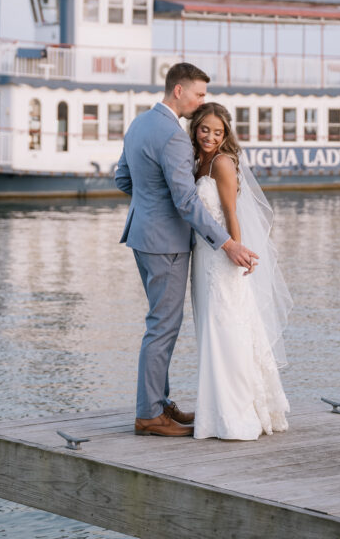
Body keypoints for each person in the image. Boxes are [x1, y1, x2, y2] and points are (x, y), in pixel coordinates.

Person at [116, 63, 259, 438]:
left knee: (160, 322)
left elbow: (122, 179)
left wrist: (149, 208)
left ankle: (160, 402)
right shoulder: (175, 137)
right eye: (198, 94)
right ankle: (149, 413)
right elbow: (184, 201)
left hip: (141, 237)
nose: (201, 103)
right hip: (167, 244)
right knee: (163, 325)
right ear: (178, 91)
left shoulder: (139, 124)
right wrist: (227, 242)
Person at [190, 102, 291, 440]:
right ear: (197, 128)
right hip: (201, 257)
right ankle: (213, 413)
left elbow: (231, 212)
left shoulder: (221, 163)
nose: (210, 136)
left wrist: (237, 249)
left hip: (221, 259)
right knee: (210, 331)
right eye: (205, 129)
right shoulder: (198, 162)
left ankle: (235, 415)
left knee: (228, 330)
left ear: (226, 134)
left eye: (218, 132)